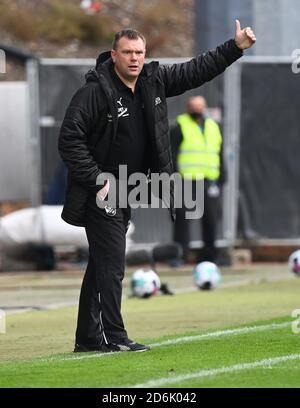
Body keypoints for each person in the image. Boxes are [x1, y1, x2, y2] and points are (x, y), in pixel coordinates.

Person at [58, 21, 256, 353]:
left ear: (144, 55)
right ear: (114, 55)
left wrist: (234, 47)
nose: (134, 59)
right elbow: (69, 139)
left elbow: (196, 71)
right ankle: (115, 338)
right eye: (127, 53)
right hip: (103, 191)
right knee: (111, 264)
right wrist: (97, 180)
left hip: (128, 190)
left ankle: (89, 338)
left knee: (101, 265)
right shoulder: (94, 91)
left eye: (139, 53)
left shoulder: (154, 81)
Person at [171, 96, 225, 263]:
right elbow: (171, 154)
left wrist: (223, 175)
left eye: (200, 106)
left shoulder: (213, 127)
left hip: (209, 180)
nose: (197, 109)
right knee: (182, 221)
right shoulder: (180, 126)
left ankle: (210, 257)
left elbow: (218, 153)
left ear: (205, 108)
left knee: (210, 219)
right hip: (186, 180)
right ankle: (179, 256)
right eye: (193, 106)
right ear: (188, 108)